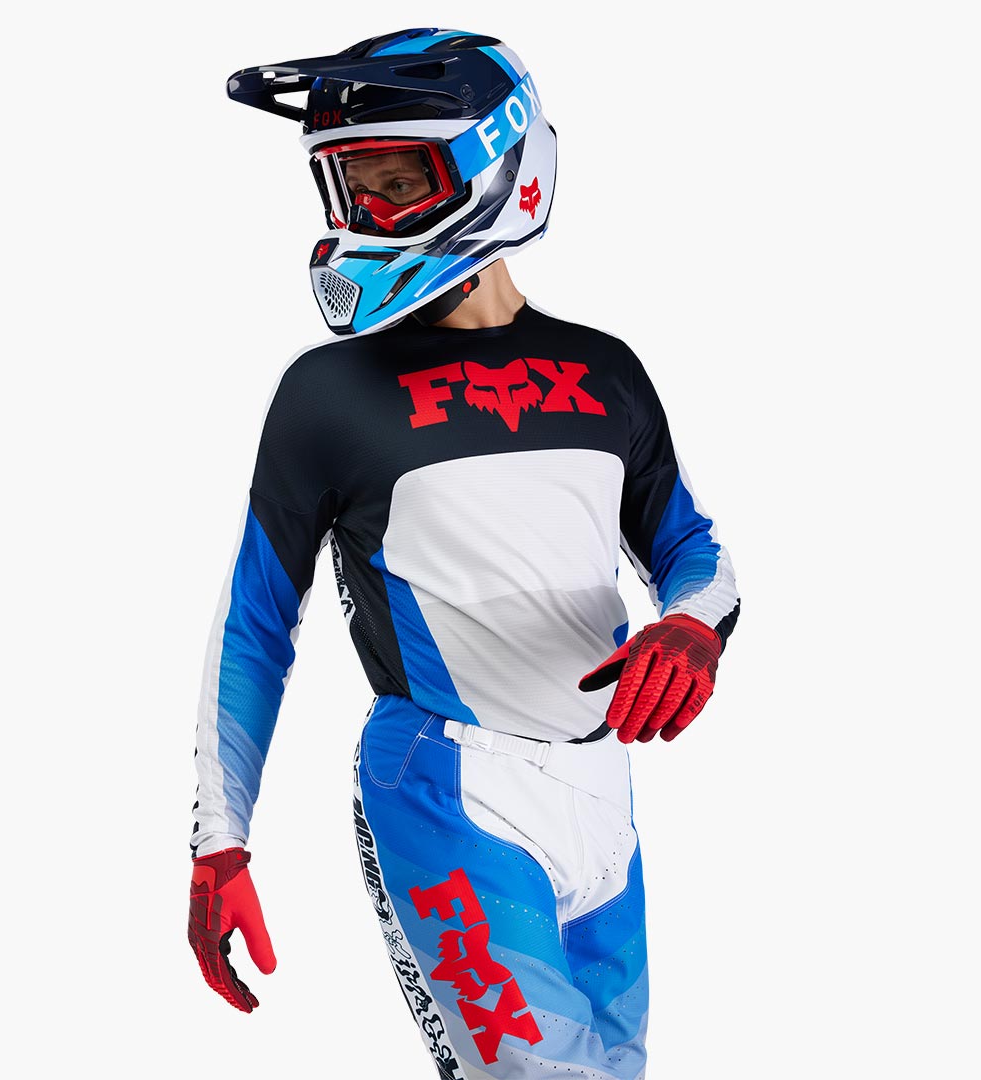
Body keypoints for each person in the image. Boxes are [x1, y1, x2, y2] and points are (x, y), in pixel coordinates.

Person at [187, 27, 740, 1080]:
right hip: (448, 784)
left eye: (398, 182)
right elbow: (254, 623)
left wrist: (688, 628)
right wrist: (220, 840)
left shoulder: (608, 370)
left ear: (495, 165)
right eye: (349, 186)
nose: (365, 215)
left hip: (602, 792)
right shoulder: (326, 394)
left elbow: (692, 549)